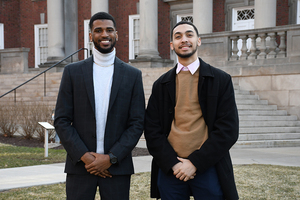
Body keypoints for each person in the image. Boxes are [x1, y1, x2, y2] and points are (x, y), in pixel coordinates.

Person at [54, 12, 145, 200]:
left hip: (117, 169)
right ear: (90, 36)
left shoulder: (132, 75)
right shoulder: (72, 72)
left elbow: (137, 123)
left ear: (117, 34)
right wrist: (87, 157)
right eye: (98, 30)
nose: (104, 35)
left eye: (109, 30)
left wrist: (110, 158)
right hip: (80, 167)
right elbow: (62, 120)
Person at [144, 21, 239, 200]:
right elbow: (152, 130)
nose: (184, 40)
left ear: (199, 41)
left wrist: (195, 163)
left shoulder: (220, 80)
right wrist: (173, 164)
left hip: (208, 166)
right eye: (178, 36)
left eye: (189, 35)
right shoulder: (161, 85)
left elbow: (229, 130)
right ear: (172, 45)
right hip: (171, 168)